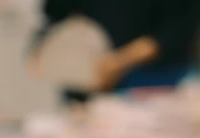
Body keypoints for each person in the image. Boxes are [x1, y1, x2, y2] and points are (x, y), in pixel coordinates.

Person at [41, 0, 200, 91]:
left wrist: (120, 61)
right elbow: (56, 16)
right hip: (90, 80)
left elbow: (182, 24)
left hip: (158, 75)